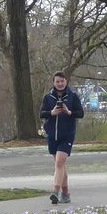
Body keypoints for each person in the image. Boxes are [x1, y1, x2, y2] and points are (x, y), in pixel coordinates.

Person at [40, 71, 84, 204]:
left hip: (67, 135)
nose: (60, 84)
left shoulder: (72, 96)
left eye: (62, 81)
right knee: (60, 165)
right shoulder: (48, 97)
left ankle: (55, 191)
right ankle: (66, 193)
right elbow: (42, 114)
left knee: (59, 162)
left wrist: (69, 112)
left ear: (66, 82)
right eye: (57, 81)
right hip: (52, 135)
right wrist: (52, 113)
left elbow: (80, 113)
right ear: (53, 83)